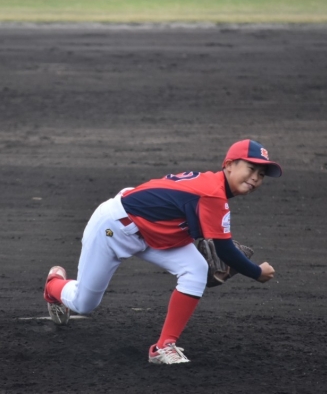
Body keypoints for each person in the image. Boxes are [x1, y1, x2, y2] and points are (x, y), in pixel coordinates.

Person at [43, 139, 281, 364]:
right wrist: (256, 272)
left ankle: (164, 346)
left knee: (196, 269)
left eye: (261, 174)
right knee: (84, 304)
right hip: (113, 229)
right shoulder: (212, 193)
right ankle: (53, 286)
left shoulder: (212, 188)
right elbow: (225, 250)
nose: (256, 177)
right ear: (229, 165)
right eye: (251, 168)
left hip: (152, 230)